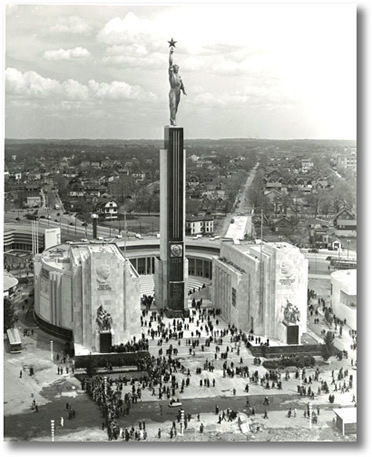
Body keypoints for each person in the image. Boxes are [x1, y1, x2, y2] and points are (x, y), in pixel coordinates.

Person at [168, 46, 186, 126]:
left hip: (178, 91)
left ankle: (173, 118)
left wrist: (183, 90)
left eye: (178, 68)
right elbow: (170, 63)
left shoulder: (179, 76)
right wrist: (171, 53)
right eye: (176, 68)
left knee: (176, 107)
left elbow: (182, 84)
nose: (177, 69)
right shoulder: (172, 74)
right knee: (173, 106)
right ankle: (172, 120)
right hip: (173, 91)